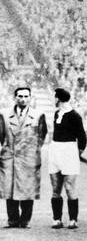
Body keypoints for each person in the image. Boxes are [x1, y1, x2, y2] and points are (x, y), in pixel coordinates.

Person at [1, 86, 47, 228]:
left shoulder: (38, 115)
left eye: (26, 96)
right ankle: (13, 219)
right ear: (15, 97)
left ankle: (25, 219)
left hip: (28, 158)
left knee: (28, 189)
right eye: (20, 96)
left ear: (30, 97)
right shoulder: (4, 114)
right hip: (10, 156)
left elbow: (42, 135)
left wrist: (33, 150)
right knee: (10, 189)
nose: (23, 99)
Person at [48, 88, 87, 229]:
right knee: (55, 188)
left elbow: (82, 137)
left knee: (69, 187)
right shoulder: (56, 113)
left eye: (54, 98)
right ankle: (56, 219)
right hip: (54, 150)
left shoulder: (74, 115)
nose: (54, 100)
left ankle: (73, 220)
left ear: (58, 99)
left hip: (69, 150)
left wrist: (78, 154)